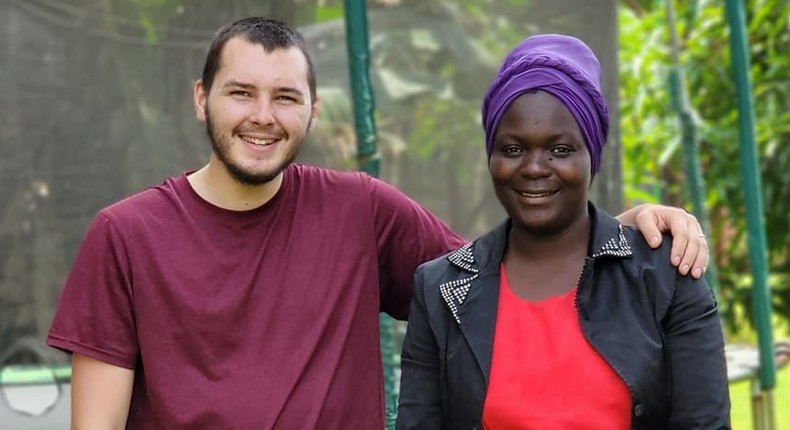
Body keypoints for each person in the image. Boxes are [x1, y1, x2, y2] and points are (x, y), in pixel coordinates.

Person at [47, 18, 710, 429]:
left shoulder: (359, 210)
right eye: (240, 92)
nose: (262, 116)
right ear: (202, 98)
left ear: (311, 109)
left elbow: (506, 271)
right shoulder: (126, 236)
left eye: (285, 97)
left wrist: (612, 232)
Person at [396, 34, 730, 429]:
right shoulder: (441, 289)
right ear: (491, 157)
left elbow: (703, 422)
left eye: (561, 149)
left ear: (593, 156)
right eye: (514, 149)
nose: (535, 167)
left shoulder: (664, 274)